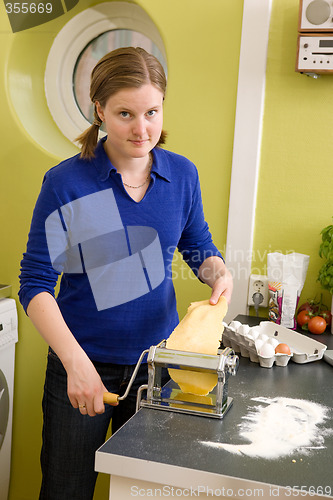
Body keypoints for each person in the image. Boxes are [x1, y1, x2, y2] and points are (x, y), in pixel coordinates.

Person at [19, 46, 233, 499]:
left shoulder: (183, 175)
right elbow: (35, 282)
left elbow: (199, 248)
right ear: (98, 110)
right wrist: (76, 365)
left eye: (152, 112)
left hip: (159, 369)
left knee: (148, 492)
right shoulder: (66, 182)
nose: (142, 129)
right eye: (125, 113)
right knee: (66, 490)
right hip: (81, 366)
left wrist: (217, 272)